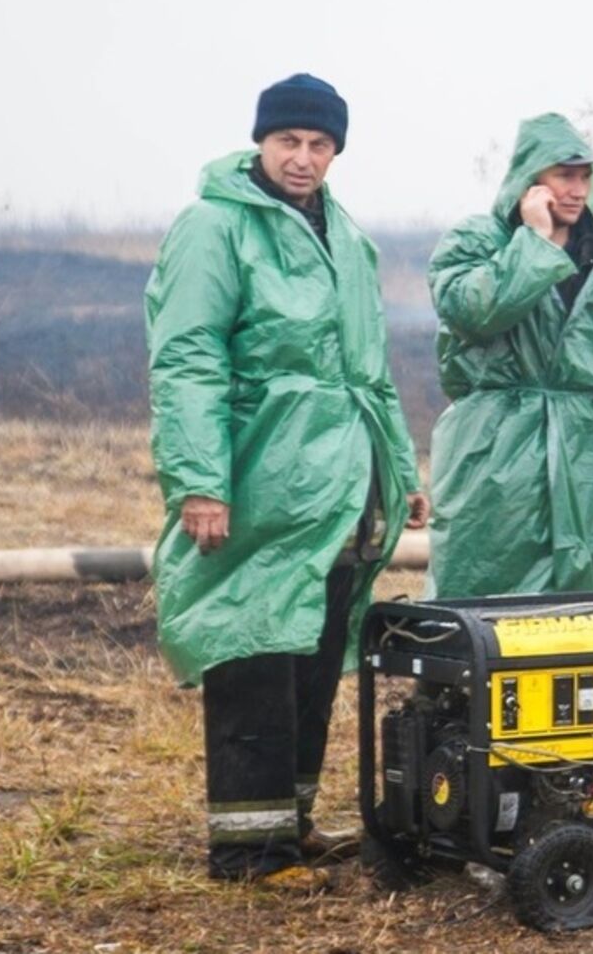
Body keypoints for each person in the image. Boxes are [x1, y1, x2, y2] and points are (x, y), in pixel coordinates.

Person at [144, 73, 429, 891]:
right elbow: (189, 356)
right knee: (253, 644)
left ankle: (291, 825)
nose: (302, 158)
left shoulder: (345, 236)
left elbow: (369, 369)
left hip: (340, 482)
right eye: (288, 142)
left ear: (336, 151)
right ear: (260, 142)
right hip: (261, 472)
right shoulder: (214, 228)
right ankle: (248, 848)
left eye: (319, 144)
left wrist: (399, 469)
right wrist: (201, 479)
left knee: (314, 642)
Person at [426, 112, 593, 598]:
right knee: (486, 594)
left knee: (588, 603)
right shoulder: (476, 242)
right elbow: (476, 312)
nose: (578, 190)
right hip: (497, 452)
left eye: (585, 176)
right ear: (531, 178)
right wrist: (534, 241)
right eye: (564, 175)